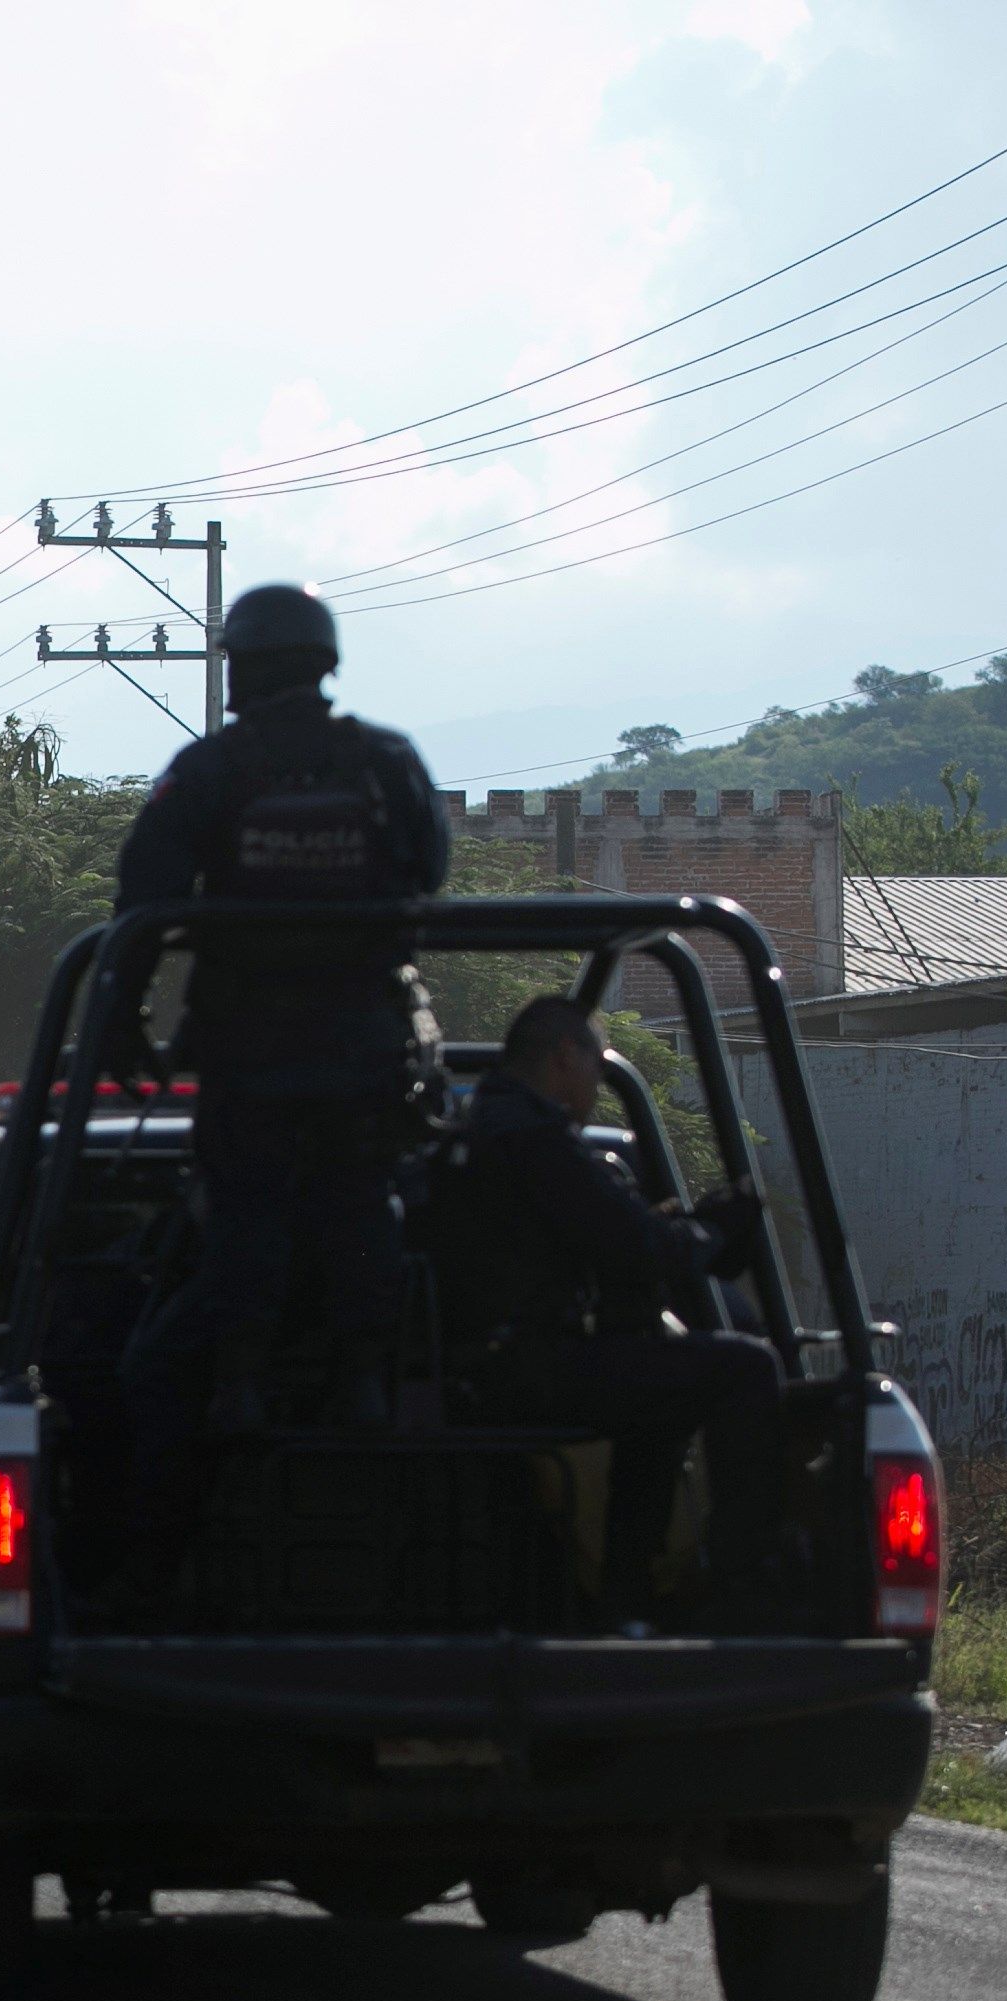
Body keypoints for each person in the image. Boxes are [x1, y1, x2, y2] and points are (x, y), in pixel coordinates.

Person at [114, 584, 449, 1439]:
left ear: (244, 669)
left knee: (245, 1208)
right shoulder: (388, 762)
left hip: (247, 1047)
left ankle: (238, 1387)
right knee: (362, 1200)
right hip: (365, 1045)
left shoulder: (209, 771)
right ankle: (364, 1383)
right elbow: (429, 872)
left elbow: (143, 897)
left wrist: (121, 1017)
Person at [423, 996, 781, 1622]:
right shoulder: (529, 1138)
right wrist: (712, 1230)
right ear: (565, 1058)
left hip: (485, 1368)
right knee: (744, 1367)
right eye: (596, 1067)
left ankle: (626, 1591)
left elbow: (598, 1236)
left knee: (656, 1395)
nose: (595, 1084)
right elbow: (632, 1244)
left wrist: (672, 1232)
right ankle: (742, 1584)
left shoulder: (481, 1126)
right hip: (524, 1368)